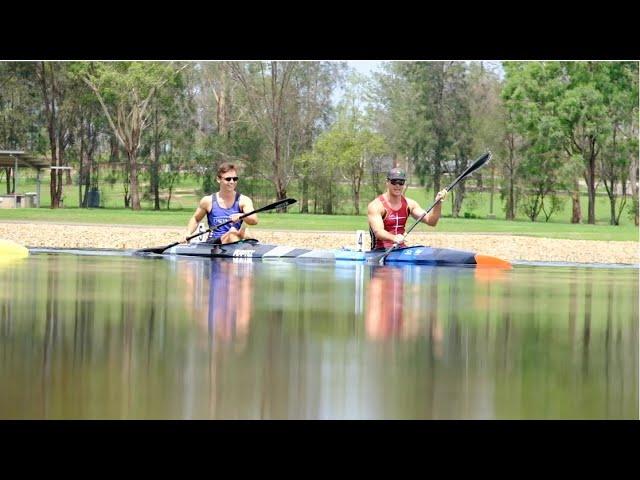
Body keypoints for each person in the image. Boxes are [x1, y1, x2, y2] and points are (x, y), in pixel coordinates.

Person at [367, 167, 448, 250]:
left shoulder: (410, 204)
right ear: (387, 182)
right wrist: (394, 238)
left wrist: (438, 203)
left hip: (401, 249)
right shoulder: (376, 205)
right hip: (380, 251)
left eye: (401, 182)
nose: (397, 185)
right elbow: (378, 232)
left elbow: (431, 221)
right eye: (394, 182)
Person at [185, 162, 258, 244]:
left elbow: (254, 220)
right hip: (214, 244)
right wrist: (188, 233)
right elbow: (196, 219)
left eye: (235, 179)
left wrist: (241, 216)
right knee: (232, 233)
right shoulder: (208, 201)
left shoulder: (244, 200)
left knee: (245, 232)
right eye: (228, 179)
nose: (232, 182)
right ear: (218, 179)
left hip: (234, 239)